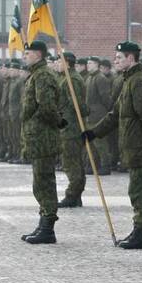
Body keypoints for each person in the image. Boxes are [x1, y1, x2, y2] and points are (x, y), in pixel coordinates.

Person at [85, 41, 142, 249]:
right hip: (132, 146)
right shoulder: (128, 80)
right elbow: (115, 114)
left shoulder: (139, 81)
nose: (115, 61)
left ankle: (141, 233)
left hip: (140, 146)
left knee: (139, 190)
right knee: (135, 189)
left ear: (131, 59)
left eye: (119, 58)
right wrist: (93, 133)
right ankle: (138, 229)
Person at [19, 40, 64, 244]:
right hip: (37, 137)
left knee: (44, 181)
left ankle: (48, 227)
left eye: (27, 53)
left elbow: (46, 106)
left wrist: (55, 122)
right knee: (40, 181)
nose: (24, 56)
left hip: (43, 137)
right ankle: (43, 223)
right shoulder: (36, 74)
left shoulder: (43, 75)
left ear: (38, 55)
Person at [54, 52, 89, 208]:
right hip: (69, 125)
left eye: (59, 61)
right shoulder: (67, 78)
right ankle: (76, 195)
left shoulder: (72, 80)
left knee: (71, 163)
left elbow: (77, 104)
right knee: (74, 162)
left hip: (71, 127)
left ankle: (72, 195)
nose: (56, 64)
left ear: (67, 63)